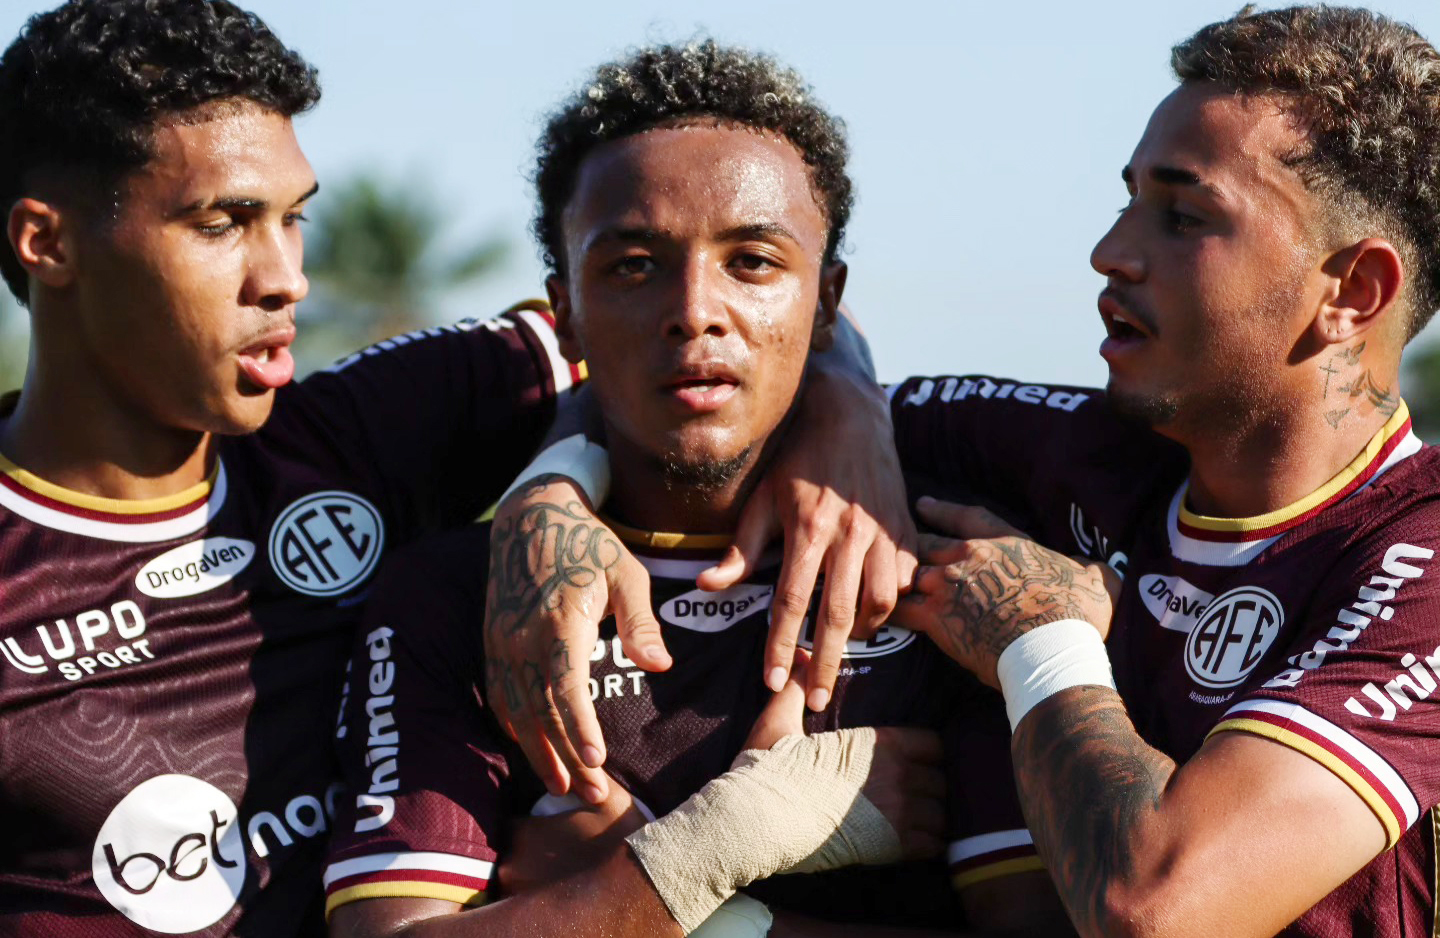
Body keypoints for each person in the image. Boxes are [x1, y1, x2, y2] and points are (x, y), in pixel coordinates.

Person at [0, 2, 906, 933]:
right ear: (49, 244)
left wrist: (847, 416)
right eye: (223, 223)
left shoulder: (357, 429)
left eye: (292, 219)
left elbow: (705, 321)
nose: (287, 278)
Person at [324, 40, 1067, 938]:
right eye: (634, 264)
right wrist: (717, 845)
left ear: (827, 303)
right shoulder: (459, 597)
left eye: (753, 261)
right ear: (564, 311)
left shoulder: (938, 581)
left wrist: (687, 904)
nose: (695, 308)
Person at [887, 6, 1440, 937]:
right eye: (1129, 198)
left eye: (1183, 215)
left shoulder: (1419, 557)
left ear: (1353, 293)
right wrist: (562, 479)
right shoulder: (1096, 450)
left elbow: (1156, 909)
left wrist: (1039, 641)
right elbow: (798, 387)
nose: (1112, 253)